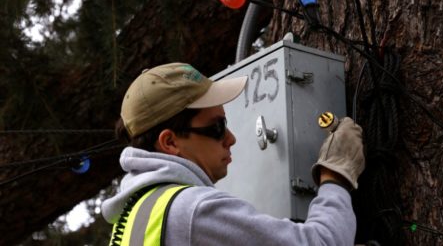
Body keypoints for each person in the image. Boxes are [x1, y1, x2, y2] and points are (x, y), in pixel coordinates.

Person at [102, 62, 365, 246]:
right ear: (170, 142)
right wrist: (334, 175)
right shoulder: (194, 210)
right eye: (217, 128)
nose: (232, 139)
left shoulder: (136, 219)